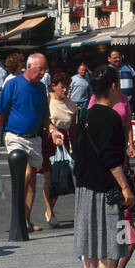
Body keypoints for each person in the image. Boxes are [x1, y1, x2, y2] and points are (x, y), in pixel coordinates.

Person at [72, 66, 135, 268]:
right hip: (105, 188)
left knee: (88, 236)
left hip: (85, 185)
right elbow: (113, 158)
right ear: (113, 87)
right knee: (111, 235)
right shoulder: (110, 117)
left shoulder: (85, 115)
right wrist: (125, 187)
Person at [0, 51, 50, 232]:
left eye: (45, 70)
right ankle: (19, 219)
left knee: (30, 182)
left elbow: (45, 115)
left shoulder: (40, 88)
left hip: (34, 138)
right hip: (15, 137)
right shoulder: (12, 84)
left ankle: (25, 220)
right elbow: (0, 113)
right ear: (29, 67)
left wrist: (52, 130)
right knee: (27, 173)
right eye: (40, 69)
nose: (43, 73)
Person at [42, 73, 78, 228]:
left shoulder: (72, 105)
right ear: (53, 86)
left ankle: (51, 209)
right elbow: (43, 119)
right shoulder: (47, 99)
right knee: (49, 177)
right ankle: (50, 211)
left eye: (67, 86)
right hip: (48, 140)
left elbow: (74, 129)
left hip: (63, 142)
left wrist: (75, 150)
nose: (65, 89)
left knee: (59, 178)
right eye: (62, 86)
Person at [109, 50, 135, 119]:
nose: (118, 59)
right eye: (115, 58)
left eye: (119, 57)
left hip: (128, 104)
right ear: (109, 59)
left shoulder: (129, 68)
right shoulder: (106, 71)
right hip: (113, 105)